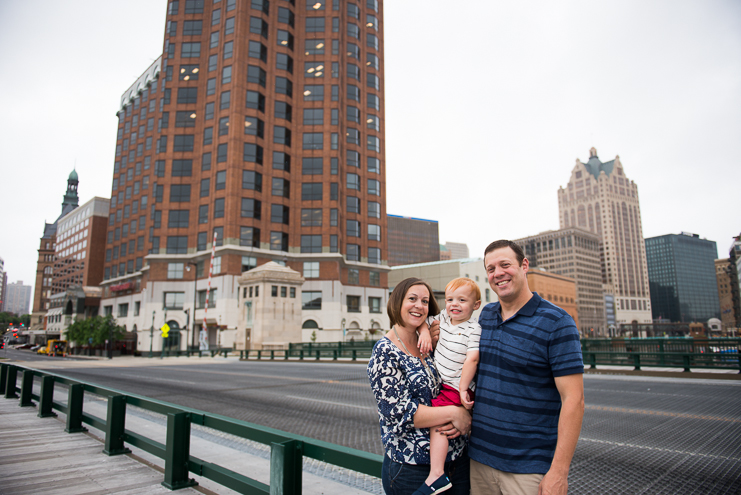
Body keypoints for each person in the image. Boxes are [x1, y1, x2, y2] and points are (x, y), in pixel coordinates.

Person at [469, 240, 584, 495]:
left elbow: (573, 400)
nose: (497, 273)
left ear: (524, 266)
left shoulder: (557, 322)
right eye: (490, 268)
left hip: (528, 470)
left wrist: (559, 472)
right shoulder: (485, 316)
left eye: (505, 265)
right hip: (478, 461)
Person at [368, 277, 472, 495]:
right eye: (412, 299)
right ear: (397, 302)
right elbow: (400, 413)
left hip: (457, 463)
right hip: (412, 469)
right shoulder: (385, 351)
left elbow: (453, 377)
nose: (419, 306)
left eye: (425, 301)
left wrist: (426, 331)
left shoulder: (431, 344)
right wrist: (454, 413)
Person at [415, 277, 482, 494]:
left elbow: (472, 359)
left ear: (476, 305)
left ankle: (436, 474)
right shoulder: (443, 317)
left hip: (456, 385)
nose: (454, 304)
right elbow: (426, 323)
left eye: (462, 300)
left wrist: (463, 388)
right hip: (447, 385)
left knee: (438, 422)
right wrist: (425, 332)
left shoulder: (474, 328)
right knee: (444, 420)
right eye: (450, 299)